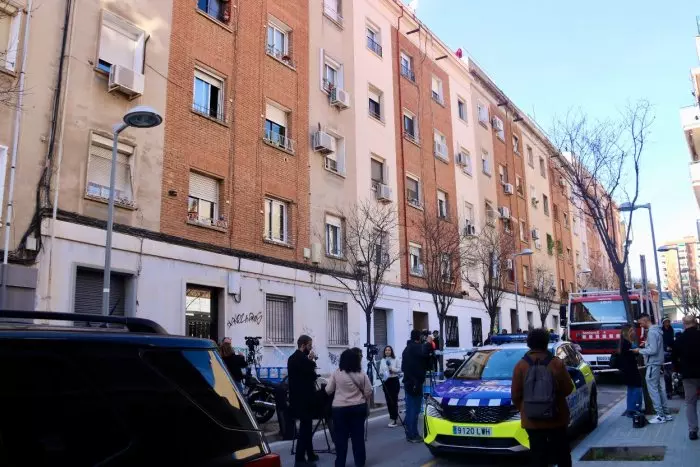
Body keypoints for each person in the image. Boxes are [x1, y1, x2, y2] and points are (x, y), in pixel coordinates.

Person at [511, 328, 574, 467]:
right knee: (562, 453)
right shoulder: (556, 363)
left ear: (529, 344)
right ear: (546, 343)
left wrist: (524, 408)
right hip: (556, 417)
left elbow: (515, 394)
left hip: (531, 420)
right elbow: (568, 389)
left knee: (537, 455)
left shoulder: (520, 365)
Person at [325, 348, 372, 467]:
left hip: (339, 409)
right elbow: (368, 391)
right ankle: (360, 462)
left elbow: (328, 390)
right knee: (358, 438)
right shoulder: (361, 374)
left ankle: (340, 463)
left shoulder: (336, 373)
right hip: (358, 407)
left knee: (341, 438)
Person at [633, 313, 672, 424]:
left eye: (640, 323)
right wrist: (646, 344)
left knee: (653, 390)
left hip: (653, 363)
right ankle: (666, 414)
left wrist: (639, 351)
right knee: (659, 389)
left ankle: (660, 415)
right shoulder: (657, 331)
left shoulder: (652, 332)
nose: (640, 325)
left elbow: (653, 350)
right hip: (657, 363)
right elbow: (655, 347)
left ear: (645, 320)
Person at [287, 335, 318, 467]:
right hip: (305, 399)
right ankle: (300, 457)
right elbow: (312, 376)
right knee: (305, 428)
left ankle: (310, 453)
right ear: (304, 345)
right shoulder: (304, 360)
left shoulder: (291, 358)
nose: (311, 348)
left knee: (306, 426)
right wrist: (311, 360)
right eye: (310, 345)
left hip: (295, 398)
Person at [671, 315, 700, 440]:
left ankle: (693, 430)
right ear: (695, 323)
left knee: (690, 403)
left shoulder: (680, 339)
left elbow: (674, 357)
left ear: (684, 324)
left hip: (688, 375)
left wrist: (678, 369)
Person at [402, 329, 431, 443]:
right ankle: (413, 434)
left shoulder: (407, 349)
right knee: (415, 409)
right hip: (415, 382)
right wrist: (429, 343)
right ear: (419, 337)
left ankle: (410, 432)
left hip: (408, 381)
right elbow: (425, 353)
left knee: (410, 408)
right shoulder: (416, 348)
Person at [617, 325, 643, 416]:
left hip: (627, 370)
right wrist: (639, 349)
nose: (633, 332)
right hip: (631, 369)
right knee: (637, 388)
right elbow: (634, 353)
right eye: (631, 330)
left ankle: (630, 409)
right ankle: (636, 409)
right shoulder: (627, 343)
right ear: (626, 332)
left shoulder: (624, 342)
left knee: (631, 389)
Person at [379, 345, 401, 427]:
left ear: (391, 351)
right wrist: (384, 372)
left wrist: (392, 369)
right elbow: (380, 371)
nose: (387, 351)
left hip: (394, 381)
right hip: (386, 381)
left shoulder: (396, 359)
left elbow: (399, 369)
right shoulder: (382, 360)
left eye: (389, 350)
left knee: (394, 401)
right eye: (386, 350)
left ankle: (394, 418)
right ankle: (391, 417)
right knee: (388, 401)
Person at [662, 318, 675, 399]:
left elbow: (672, 340)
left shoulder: (671, 329)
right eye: (666, 322)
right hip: (665, 353)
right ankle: (668, 392)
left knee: (673, 373)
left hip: (672, 352)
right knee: (667, 375)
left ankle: (676, 389)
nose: (668, 323)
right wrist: (666, 347)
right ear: (663, 323)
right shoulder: (661, 331)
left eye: (669, 321)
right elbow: (661, 341)